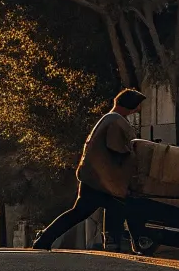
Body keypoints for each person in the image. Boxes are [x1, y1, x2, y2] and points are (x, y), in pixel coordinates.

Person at [33, 89, 146, 250]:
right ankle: (128, 243)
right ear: (131, 105)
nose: (138, 109)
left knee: (86, 211)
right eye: (137, 106)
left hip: (95, 177)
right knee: (120, 206)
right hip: (103, 180)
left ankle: (45, 239)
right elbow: (119, 148)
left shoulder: (109, 118)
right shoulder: (116, 121)